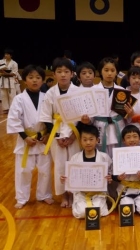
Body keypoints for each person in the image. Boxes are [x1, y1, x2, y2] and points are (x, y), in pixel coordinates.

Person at [7, 65, 53, 209]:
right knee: (23, 170)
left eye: (38, 78)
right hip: (25, 140)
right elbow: (14, 119)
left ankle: (44, 195)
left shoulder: (47, 97)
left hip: (43, 139)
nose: (34, 81)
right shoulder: (19, 99)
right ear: (25, 80)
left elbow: (53, 118)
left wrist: (47, 135)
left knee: (45, 170)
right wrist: (25, 137)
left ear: (42, 80)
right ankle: (21, 197)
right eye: (31, 77)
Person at [39, 57, 81, 208]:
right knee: (60, 166)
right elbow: (46, 117)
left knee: (75, 164)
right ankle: (64, 196)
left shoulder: (79, 91)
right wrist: (56, 136)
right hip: (56, 132)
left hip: (74, 131)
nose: (63, 75)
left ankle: (75, 194)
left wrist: (73, 136)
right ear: (54, 74)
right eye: (59, 71)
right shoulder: (50, 93)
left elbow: (84, 117)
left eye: (66, 71)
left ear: (72, 74)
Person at [60, 125, 113, 219]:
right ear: (80, 141)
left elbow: (111, 173)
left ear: (97, 140)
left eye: (91, 139)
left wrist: (110, 178)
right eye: (84, 139)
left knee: (98, 211)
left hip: (98, 193)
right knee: (82, 213)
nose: (88, 142)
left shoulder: (104, 157)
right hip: (81, 193)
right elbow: (70, 177)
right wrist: (65, 180)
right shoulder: (75, 158)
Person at [113, 125, 140, 216]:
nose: (132, 140)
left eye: (135, 136)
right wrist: (118, 177)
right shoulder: (118, 154)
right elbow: (113, 175)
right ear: (123, 140)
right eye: (128, 137)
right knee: (127, 212)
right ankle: (128, 203)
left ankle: (138, 204)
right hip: (124, 189)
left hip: (139, 188)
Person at [92, 57, 126, 156]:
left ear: (117, 72)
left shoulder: (122, 90)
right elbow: (90, 115)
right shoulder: (93, 90)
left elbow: (126, 115)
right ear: (100, 72)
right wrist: (87, 119)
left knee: (118, 158)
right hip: (100, 126)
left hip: (118, 126)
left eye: (112, 70)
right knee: (102, 158)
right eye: (106, 70)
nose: (109, 73)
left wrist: (129, 112)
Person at [0, 48, 18, 113]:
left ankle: (12, 108)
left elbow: (14, 73)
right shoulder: (1, 61)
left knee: (12, 95)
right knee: (3, 95)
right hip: (2, 81)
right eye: (5, 54)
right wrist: (2, 73)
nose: (6, 55)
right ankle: (5, 109)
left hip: (10, 81)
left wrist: (6, 73)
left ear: (11, 55)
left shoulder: (14, 63)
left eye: (7, 54)